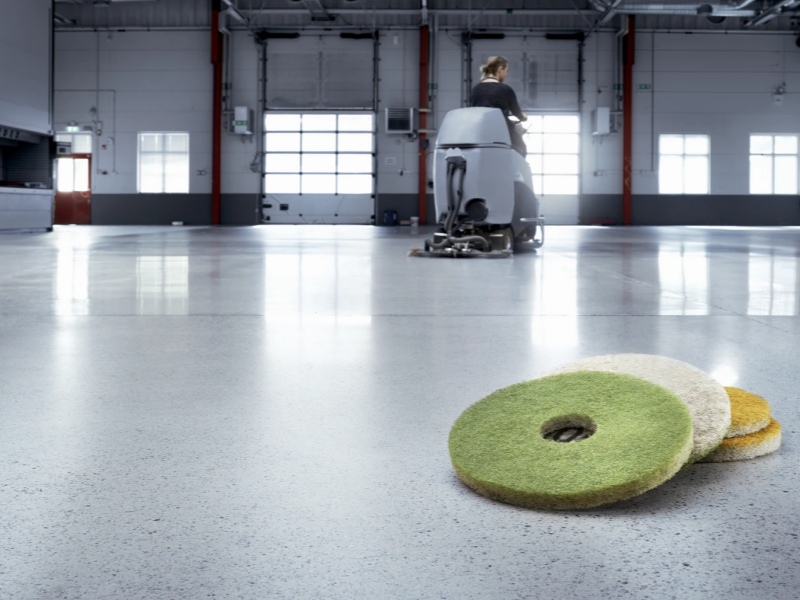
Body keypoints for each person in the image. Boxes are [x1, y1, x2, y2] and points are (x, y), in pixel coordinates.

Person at [470, 55, 528, 156]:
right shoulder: (505, 89)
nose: (506, 74)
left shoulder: (475, 89)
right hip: (502, 130)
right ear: (500, 69)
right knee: (522, 149)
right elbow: (517, 113)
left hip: (480, 131)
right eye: (506, 70)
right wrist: (523, 117)